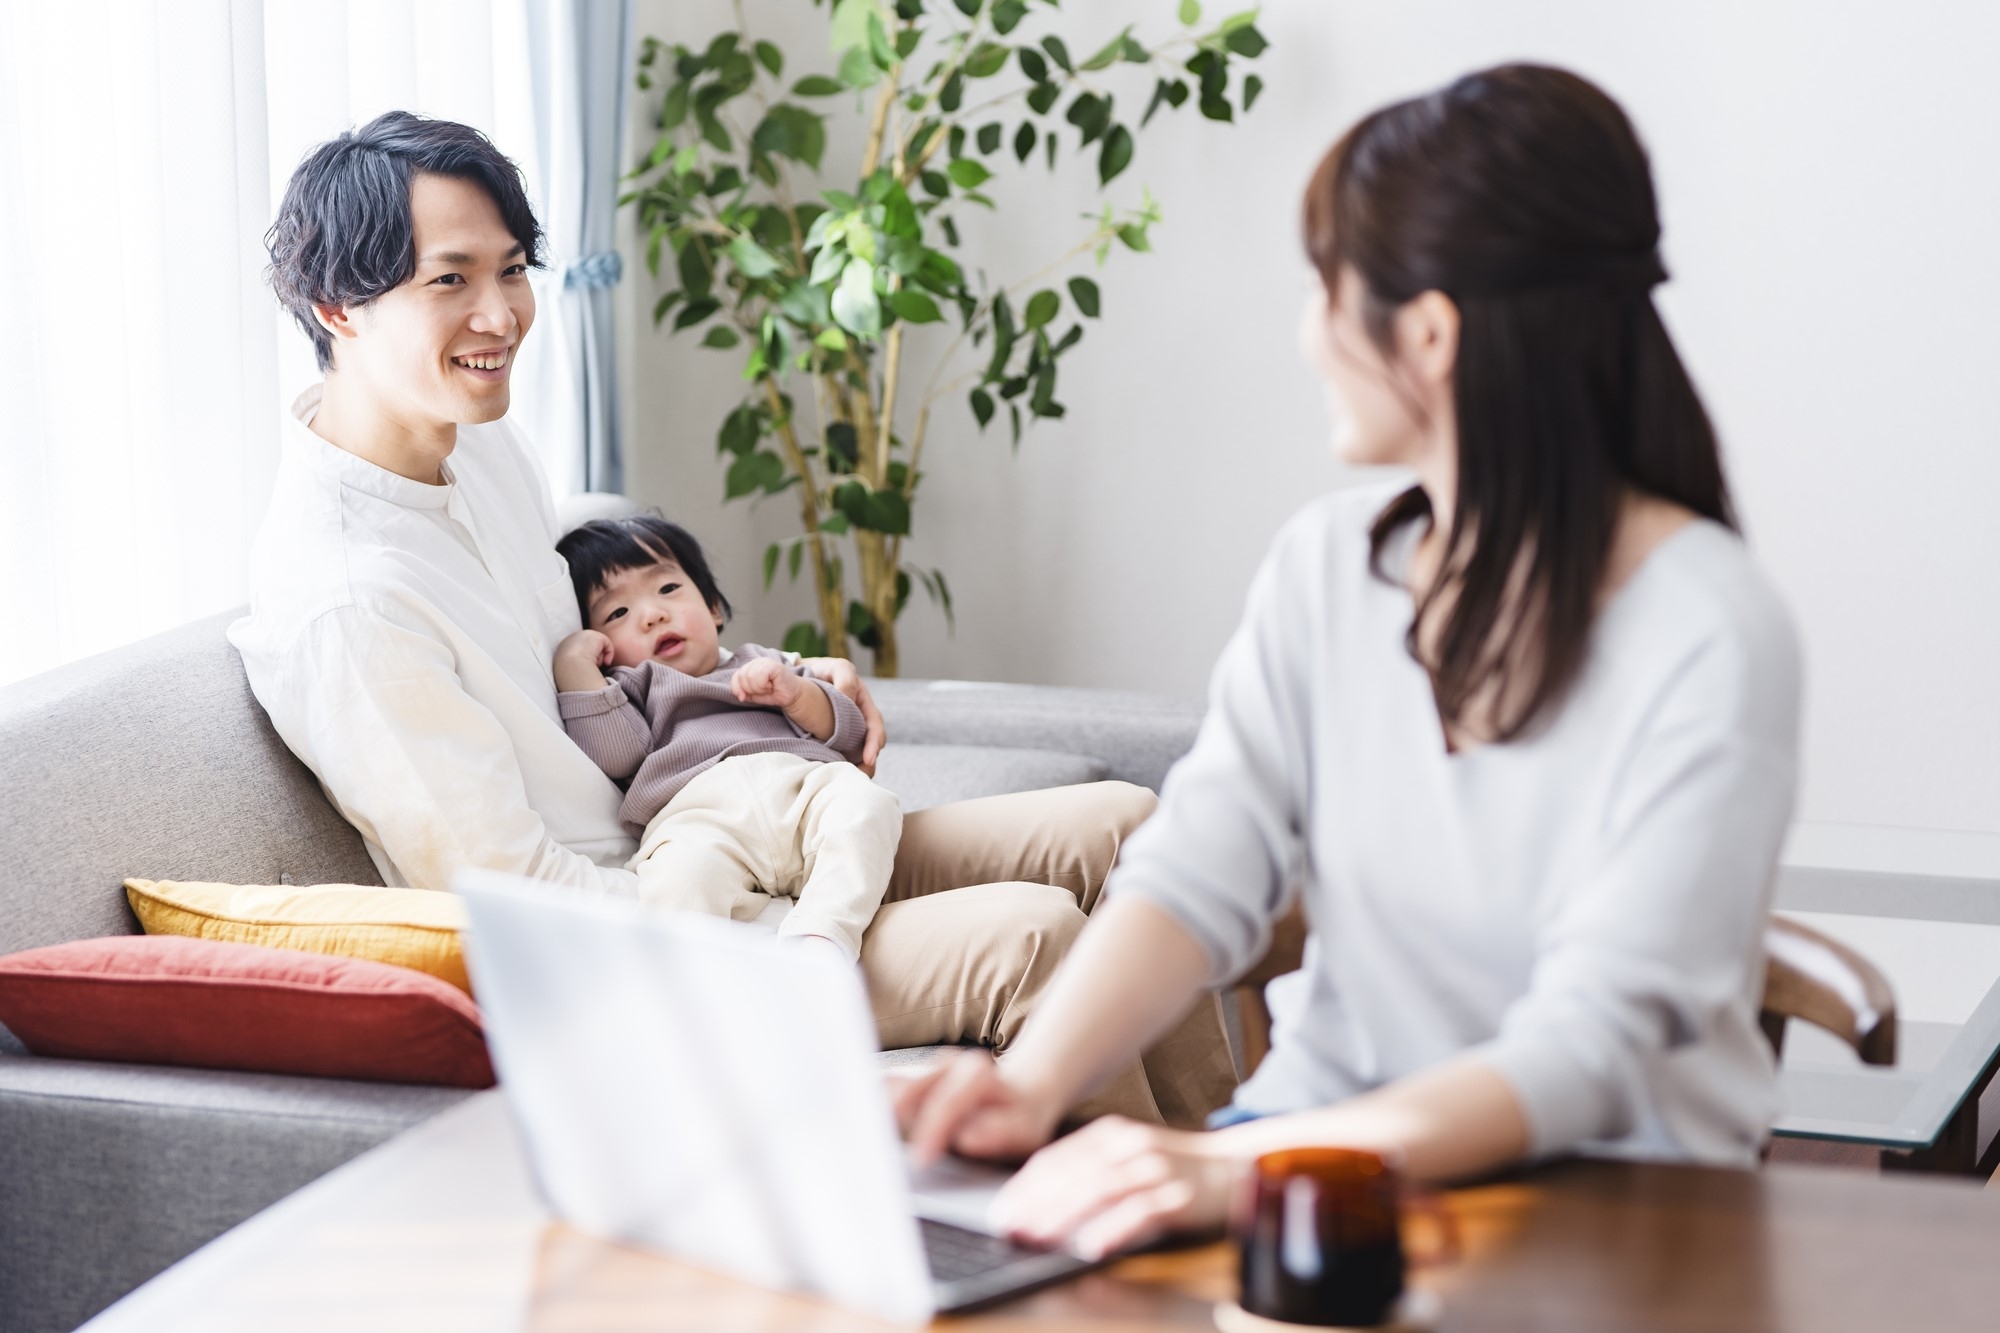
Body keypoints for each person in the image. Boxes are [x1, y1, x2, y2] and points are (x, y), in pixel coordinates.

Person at [895, 63, 1804, 1259]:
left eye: (1326, 287)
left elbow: (1590, 1052)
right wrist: (1025, 1085)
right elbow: (1197, 867)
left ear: (1427, 332)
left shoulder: (1706, 629)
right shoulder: (1328, 568)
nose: (1308, 330)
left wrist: (1226, 1166)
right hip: (1307, 1157)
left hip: (1605, 1214)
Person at [227, 110, 1238, 1127]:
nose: (500, 314)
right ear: (338, 307)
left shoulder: (476, 445)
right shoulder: (349, 599)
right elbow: (512, 901)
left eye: (511, 270)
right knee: (1034, 934)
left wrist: (782, 678)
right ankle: (1141, 1250)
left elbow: (608, 647)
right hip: (665, 940)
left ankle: (1231, 1169)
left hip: (723, 817)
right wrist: (786, 913)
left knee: (1130, 825)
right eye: (450, 279)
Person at [552, 515, 897, 964]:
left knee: (867, 805)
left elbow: (850, 736)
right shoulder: (632, 686)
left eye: (668, 589)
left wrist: (797, 694)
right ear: (602, 643)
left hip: (799, 791)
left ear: (713, 606)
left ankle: (822, 937)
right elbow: (617, 756)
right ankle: (688, 989)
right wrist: (575, 665)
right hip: (698, 818)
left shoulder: (763, 662)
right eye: (617, 613)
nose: (653, 614)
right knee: (679, 881)